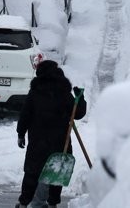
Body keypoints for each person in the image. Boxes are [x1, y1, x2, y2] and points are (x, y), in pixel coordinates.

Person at [16, 60, 87, 208]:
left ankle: (24, 202)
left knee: (32, 172)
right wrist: (80, 99)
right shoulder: (64, 92)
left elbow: (25, 114)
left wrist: (21, 133)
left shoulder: (35, 92)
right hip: (59, 141)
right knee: (56, 172)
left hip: (38, 141)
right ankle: (52, 203)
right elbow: (78, 113)